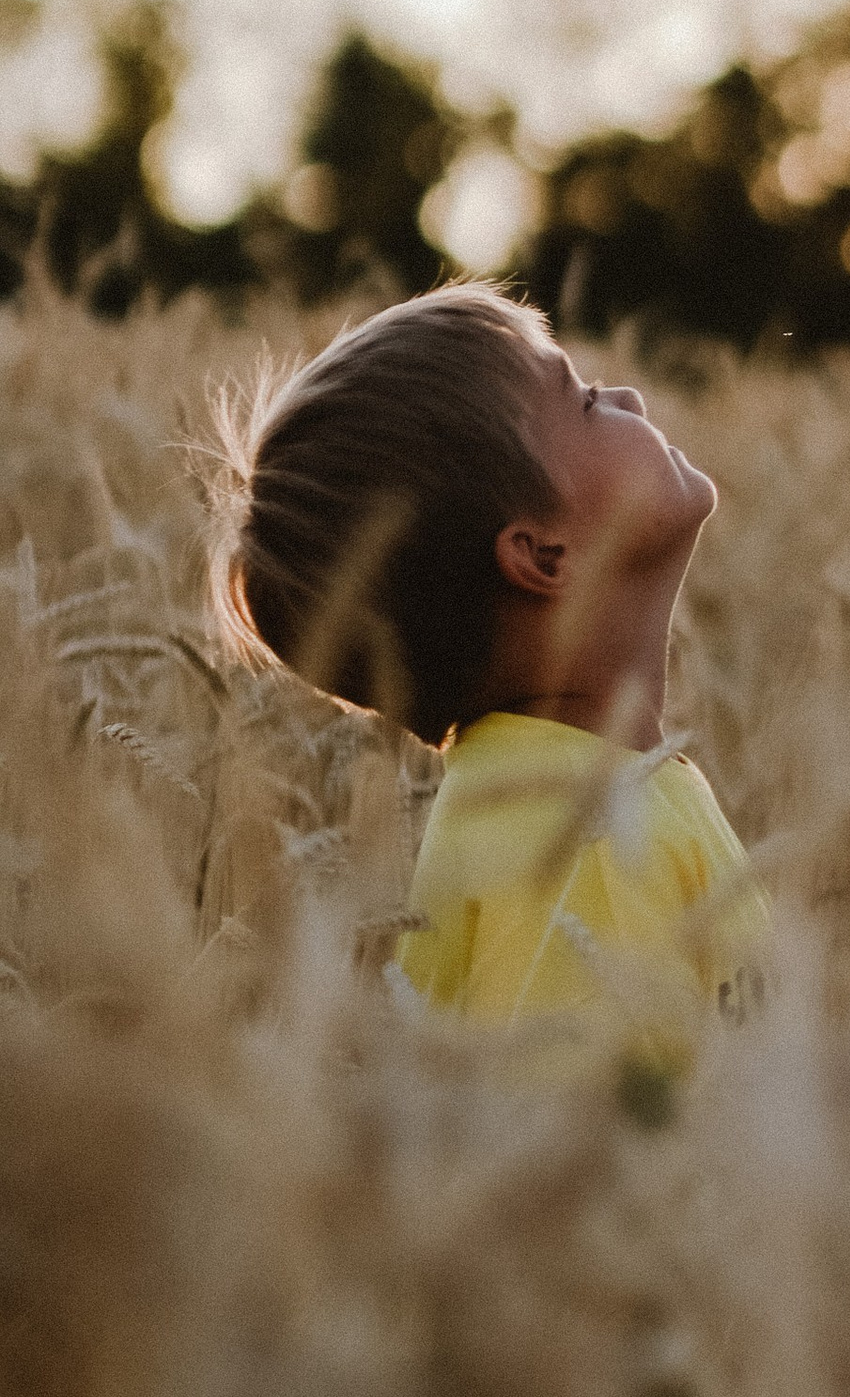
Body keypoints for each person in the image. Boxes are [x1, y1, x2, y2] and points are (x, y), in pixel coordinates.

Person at [212, 284, 761, 1060]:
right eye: (590, 402)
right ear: (541, 555)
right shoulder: (584, 845)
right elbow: (587, 1158)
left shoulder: (576, 801)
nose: (632, 396)